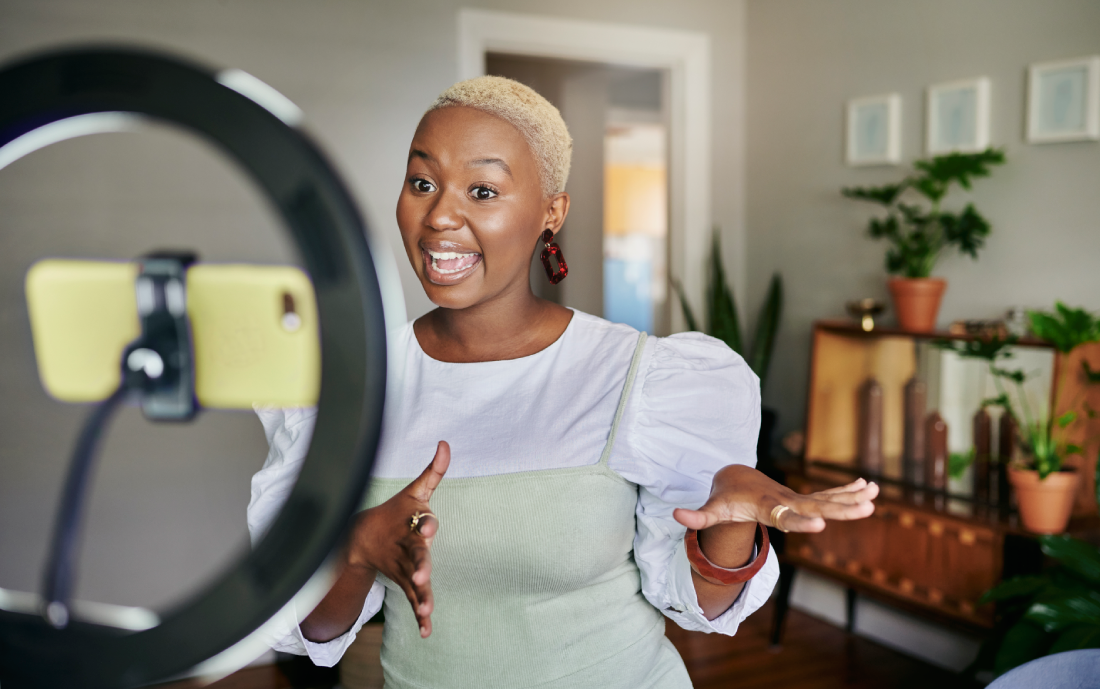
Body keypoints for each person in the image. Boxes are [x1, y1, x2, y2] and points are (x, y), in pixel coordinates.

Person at [248, 75, 879, 689]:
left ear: (551, 212)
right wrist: (358, 547)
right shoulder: (354, 388)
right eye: (422, 182)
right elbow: (314, 632)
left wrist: (732, 522)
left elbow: (703, 609)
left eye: (483, 191)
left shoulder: (639, 377)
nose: (441, 215)